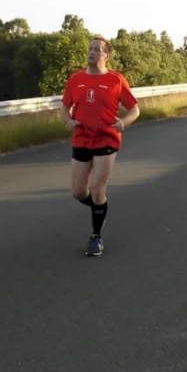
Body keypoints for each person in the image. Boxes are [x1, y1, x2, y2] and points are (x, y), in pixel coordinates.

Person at [60, 35, 140, 257]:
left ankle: (96, 237)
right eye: (90, 49)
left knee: (97, 188)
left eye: (97, 49)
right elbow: (65, 107)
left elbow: (134, 109)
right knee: (78, 191)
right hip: (81, 138)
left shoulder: (116, 80)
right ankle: (100, 208)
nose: (92, 52)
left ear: (107, 55)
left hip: (107, 138)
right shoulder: (76, 79)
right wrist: (67, 120)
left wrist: (124, 122)